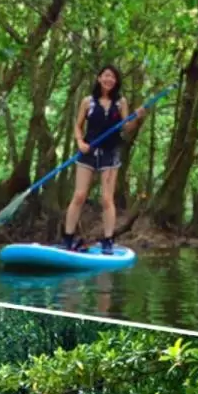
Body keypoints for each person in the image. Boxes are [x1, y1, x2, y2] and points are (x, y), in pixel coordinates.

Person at [62, 65, 147, 255]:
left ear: (116, 81)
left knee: (107, 199)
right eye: (106, 76)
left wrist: (138, 118)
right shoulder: (88, 101)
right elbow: (77, 126)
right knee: (79, 195)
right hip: (88, 151)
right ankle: (68, 238)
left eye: (113, 77)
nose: (109, 79)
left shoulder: (120, 102)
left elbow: (127, 128)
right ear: (99, 78)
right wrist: (79, 141)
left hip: (110, 153)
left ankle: (108, 240)